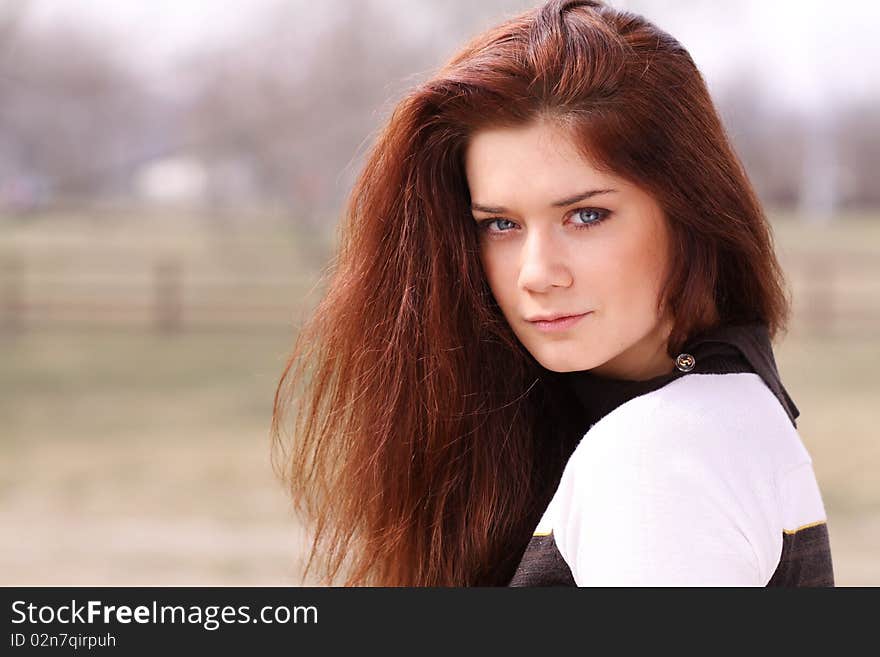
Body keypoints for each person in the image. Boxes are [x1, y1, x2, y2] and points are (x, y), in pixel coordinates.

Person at [271, 0, 834, 586]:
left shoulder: (658, 455)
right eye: (501, 224)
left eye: (586, 216)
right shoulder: (717, 410)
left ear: (690, 211)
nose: (536, 273)